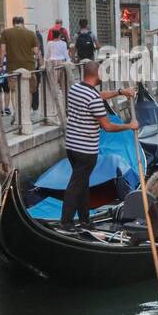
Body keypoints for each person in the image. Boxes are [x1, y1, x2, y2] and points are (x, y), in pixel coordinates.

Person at [61, 61, 136, 231]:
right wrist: (129, 126)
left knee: (82, 183)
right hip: (86, 150)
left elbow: (98, 96)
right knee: (76, 185)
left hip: (71, 146)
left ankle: (85, 220)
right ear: (97, 74)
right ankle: (66, 222)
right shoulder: (93, 98)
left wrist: (119, 92)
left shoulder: (76, 89)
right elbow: (108, 126)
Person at [0, 15, 42, 112]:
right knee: (29, 90)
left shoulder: (6, 33)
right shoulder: (31, 33)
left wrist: (1, 65)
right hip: (29, 66)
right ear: (23, 22)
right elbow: (36, 51)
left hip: (12, 66)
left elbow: (2, 50)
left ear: (13, 23)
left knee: (14, 90)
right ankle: (26, 112)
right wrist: (40, 63)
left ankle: (17, 112)